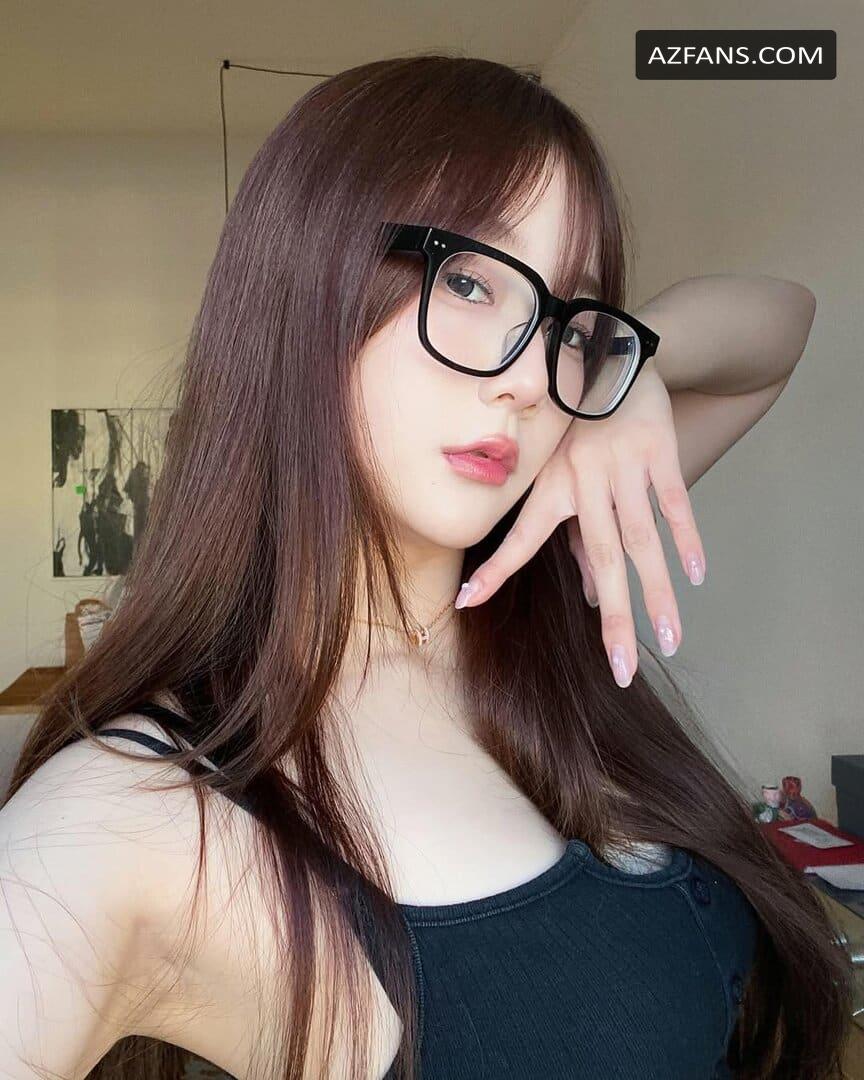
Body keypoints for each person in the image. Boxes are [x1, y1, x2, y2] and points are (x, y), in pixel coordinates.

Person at [1, 53, 854, 1080]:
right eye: (467, 280)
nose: (528, 378)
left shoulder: (547, 572)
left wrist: (630, 368)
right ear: (304, 281)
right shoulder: (138, 809)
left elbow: (780, 322)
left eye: (561, 324)